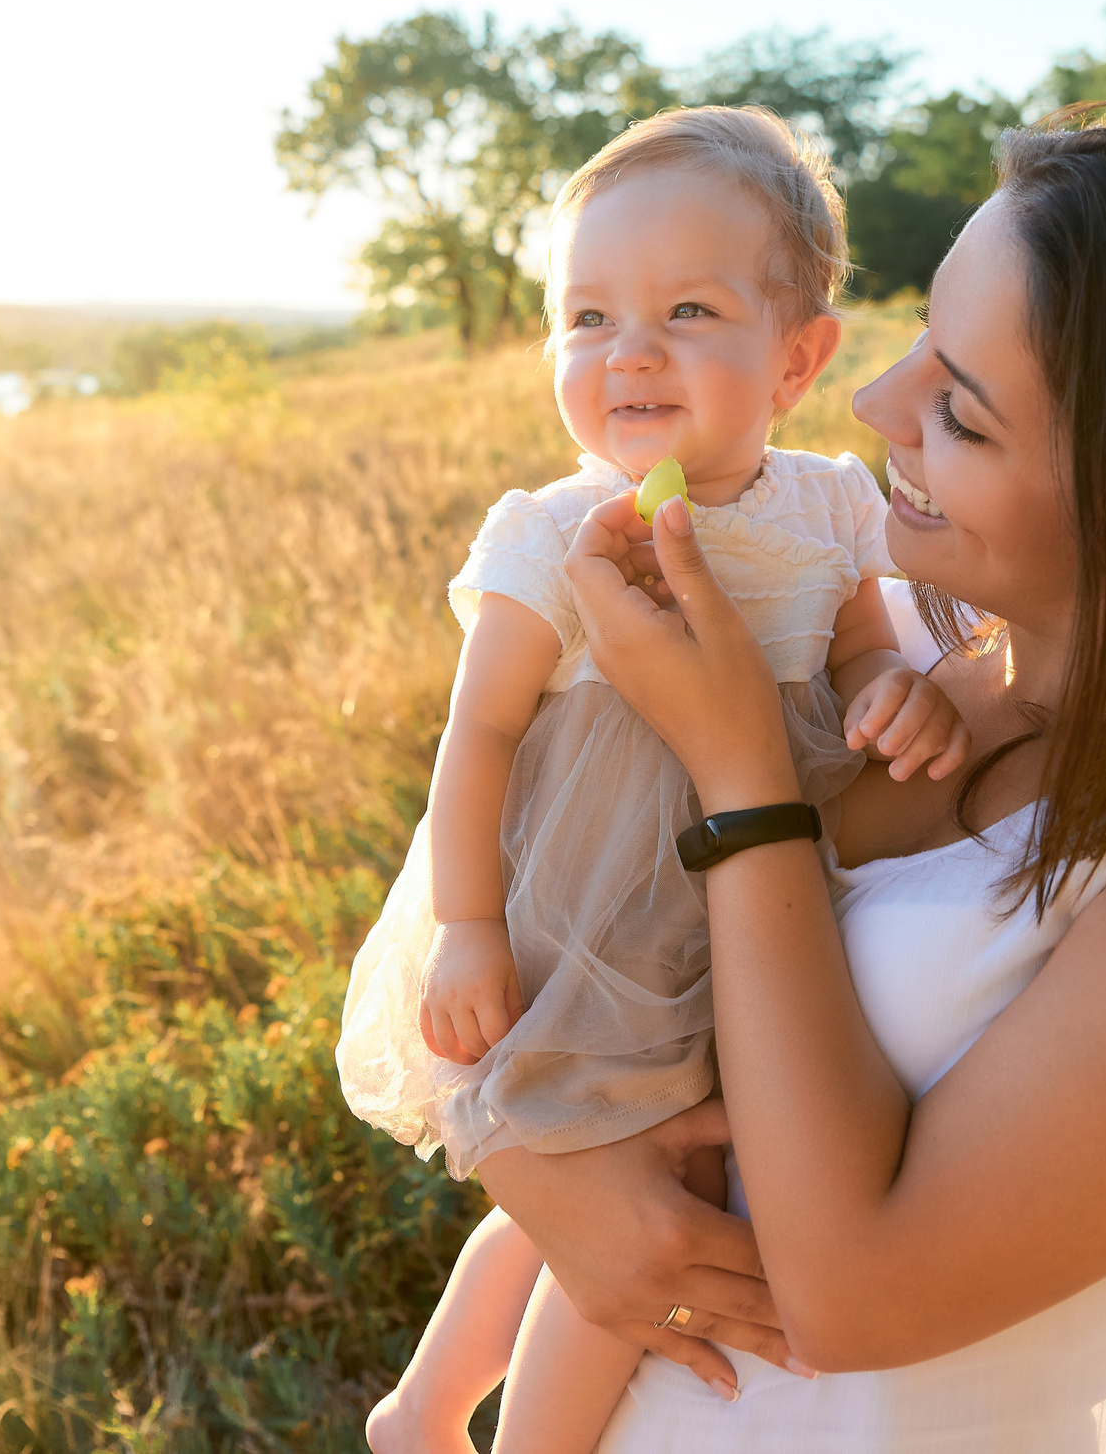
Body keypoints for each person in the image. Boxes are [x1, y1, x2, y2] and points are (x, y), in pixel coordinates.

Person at [471, 101, 1106, 1451]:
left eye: (959, 409)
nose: (870, 403)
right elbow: (517, 936)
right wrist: (543, 1174)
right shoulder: (924, 662)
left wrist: (740, 768)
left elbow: (852, 1294)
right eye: (922, 341)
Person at [336, 105, 973, 1454]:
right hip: (596, 913)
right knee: (638, 1192)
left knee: (618, 1171)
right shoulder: (557, 533)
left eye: (687, 308)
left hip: (759, 892)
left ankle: (422, 1405)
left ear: (797, 356)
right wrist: (464, 924)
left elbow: (862, 649)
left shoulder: (827, 509)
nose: (628, 349)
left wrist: (888, 692)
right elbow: (481, 739)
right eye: (586, 317)